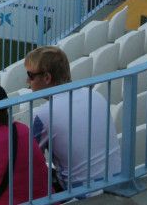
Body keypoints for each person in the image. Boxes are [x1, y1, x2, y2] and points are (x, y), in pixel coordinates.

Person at [23, 45, 121, 192]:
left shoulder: (44, 114)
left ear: (47, 78)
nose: (27, 81)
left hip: (82, 193)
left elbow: (27, 160)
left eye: (30, 75)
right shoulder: (95, 95)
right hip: (117, 180)